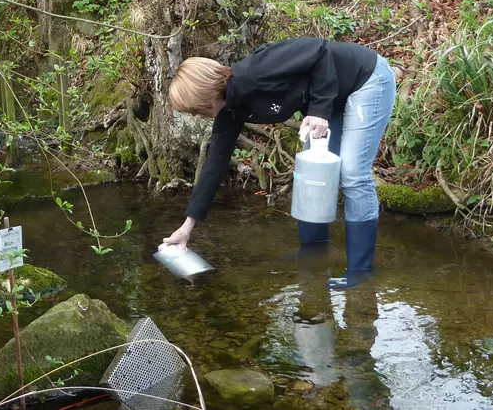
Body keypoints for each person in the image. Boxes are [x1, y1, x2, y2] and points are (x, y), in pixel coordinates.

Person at [162, 37, 397, 288]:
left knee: (352, 174)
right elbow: (214, 164)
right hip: (334, 95)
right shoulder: (230, 110)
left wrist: (318, 110)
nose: (199, 115)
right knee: (310, 172)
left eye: (196, 110)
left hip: (366, 79)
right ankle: (313, 253)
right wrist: (187, 226)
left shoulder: (257, 70)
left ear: (205, 98)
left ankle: (360, 272)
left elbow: (320, 51)